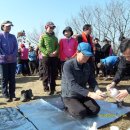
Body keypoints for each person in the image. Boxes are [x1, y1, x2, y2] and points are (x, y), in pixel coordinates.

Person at [61, 42, 105, 119]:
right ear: (77, 52)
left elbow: (92, 80)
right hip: (70, 95)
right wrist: (90, 94)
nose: (86, 58)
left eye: (88, 56)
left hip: (82, 94)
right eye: (84, 55)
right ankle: (67, 106)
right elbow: (72, 85)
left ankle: (78, 105)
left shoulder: (87, 65)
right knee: (80, 113)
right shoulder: (68, 65)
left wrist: (97, 90)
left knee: (95, 110)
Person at [39, 21, 59, 95]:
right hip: (46, 57)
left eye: (53, 27)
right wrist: (48, 53)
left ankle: (53, 89)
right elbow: (40, 46)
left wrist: (55, 52)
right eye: (50, 27)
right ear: (46, 27)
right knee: (46, 73)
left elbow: (58, 46)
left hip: (54, 57)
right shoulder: (42, 36)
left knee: (53, 73)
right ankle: (46, 89)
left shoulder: (55, 37)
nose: (52, 29)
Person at [0, 21, 18, 102]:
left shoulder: (13, 36)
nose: (9, 27)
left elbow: (16, 47)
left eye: (10, 26)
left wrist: (12, 55)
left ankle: (12, 94)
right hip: (3, 61)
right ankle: (5, 94)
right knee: (4, 78)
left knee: (12, 78)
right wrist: (5, 56)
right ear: (3, 26)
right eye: (7, 26)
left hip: (13, 60)